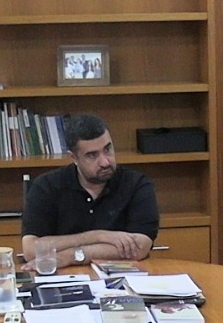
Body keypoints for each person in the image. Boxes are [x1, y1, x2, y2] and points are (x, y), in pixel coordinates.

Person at [21, 113, 158, 269]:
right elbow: (31, 251)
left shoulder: (137, 184)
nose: (105, 161)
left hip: (121, 281)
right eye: (92, 155)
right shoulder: (46, 186)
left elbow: (140, 247)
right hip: (62, 280)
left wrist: (72, 255)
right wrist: (98, 236)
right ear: (74, 158)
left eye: (108, 149)